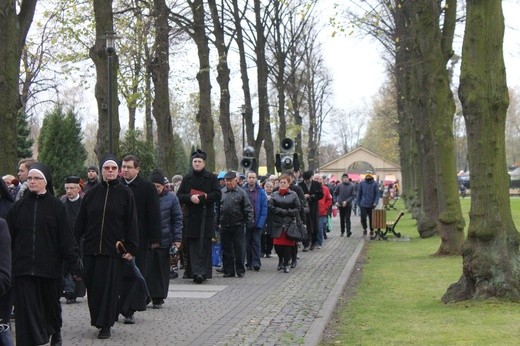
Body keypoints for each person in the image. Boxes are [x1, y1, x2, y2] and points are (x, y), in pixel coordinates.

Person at [7, 162, 81, 346]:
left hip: (49, 269)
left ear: (46, 182)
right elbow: (9, 238)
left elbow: (66, 237)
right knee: (26, 311)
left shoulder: (57, 207)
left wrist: (74, 263)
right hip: (23, 269)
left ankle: (55, 331)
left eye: (36, 178)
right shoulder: (18, 208)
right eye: (30, 178)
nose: (32, 181)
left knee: (50, 307)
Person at [74, 154, 139, 339]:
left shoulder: (125, 193)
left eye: (113, 168)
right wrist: (72, 243)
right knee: (94, 289)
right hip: (92, 249)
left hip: (113, 251)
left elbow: (131, 222)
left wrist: (131, 249)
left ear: (117, 171)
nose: (109, 171)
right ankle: (98, 320)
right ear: (101, 171)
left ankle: (106, 325)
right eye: (106, 168)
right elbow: (81, 222)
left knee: (109, 290)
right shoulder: (92, 193)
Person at [119, 154, 161, 324]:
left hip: (140, 238)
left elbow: (154, 214)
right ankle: (119, 305)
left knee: (137, 273)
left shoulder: (147, 187)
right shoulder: (117, 185)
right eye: (123, 167)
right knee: (120, 274)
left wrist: (155, 238)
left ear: (137, 169)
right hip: (119, 238)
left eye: (129, 167)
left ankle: (130, 309)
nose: (125, 170)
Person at [177, 149, 221, 284]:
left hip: (205, 216)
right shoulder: (187, 178)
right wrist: (190, 198)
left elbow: (217, 195)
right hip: (191, 217)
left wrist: (203, 197)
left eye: (199, 162)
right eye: (195, 161)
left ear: (204, 163)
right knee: (192, 246)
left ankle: (202, 273)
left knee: (204, 245)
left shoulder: (211, 178)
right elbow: (179, 196)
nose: (196, 164)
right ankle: (193, 272)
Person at [148, 169, 183, 309]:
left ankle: (158, 297)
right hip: (148, 241)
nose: (155, 189)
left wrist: (177, 240)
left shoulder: (172, 198)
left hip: (164, 240)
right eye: (153, 186)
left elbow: (177, 219)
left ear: (163, 186)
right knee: (148, 270)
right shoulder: (146, 197)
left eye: (158, 186)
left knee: (161, 271)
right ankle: (146, 295)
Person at [218, 171, 254, 278]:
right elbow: (217, 209)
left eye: (230, 181)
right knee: (226, 249)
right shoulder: (222, 192)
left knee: (239, 249)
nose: (228, 183)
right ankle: (228, 271)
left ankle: (240, 270)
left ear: (236, 181)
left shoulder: (242, 193)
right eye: (226, 181)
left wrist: (249, 223)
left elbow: (248, 209)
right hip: (224, 225)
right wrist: (216, 223)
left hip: (238, 224)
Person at [269, 173, 302, 273]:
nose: (282, 184)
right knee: (278, 245)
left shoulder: (293, 194)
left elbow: (298, 208)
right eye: (280, 182)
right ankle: (280, 260)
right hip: (277, 223)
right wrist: (280, 211)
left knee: (288, 245)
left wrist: (288, 212)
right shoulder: (274, 195)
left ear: (289, 184)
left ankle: (286, 263)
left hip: (288, 223)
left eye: (284, 182)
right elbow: (271, 207)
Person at [61, 176, 86, 304]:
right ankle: (68, 291)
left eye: (72, 188)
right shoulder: (62, 205)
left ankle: (75, 292)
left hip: (81, 241)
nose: (69, 191)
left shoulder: (84, 204)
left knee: (79, 266)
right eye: (67, 188)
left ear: (78, 189)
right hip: (66, 240)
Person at [244, 171, 268, 271]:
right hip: (246, 222)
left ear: (256, 179)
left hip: (257, 222)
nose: (251, 179)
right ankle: (248, 262)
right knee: (246, 244)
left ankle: (256, 263)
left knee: (256, 243)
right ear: (247, 178)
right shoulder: (242, 190)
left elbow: (264, 208)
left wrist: (261, 223)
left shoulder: (261, 192)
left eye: (253, 177)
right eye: (249, 177)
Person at [298, 170, 323, 251]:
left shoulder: (317, 184)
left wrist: (311, 196)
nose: (307, 181)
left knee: (315, 226)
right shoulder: (300, 185)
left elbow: (320, 195)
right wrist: (303, 196)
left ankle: (313, 242)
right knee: (306, 226)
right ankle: (306, 243)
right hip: (304, 208)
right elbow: (297, 196)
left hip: (313, 207)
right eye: (305, 180)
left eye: (308, 179)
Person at [357, 171, 380, 237]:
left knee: (371, 218)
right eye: (367, 175)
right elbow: (359, 193)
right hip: (363, 204)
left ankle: (371, 230)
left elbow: (377, 194)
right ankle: (365, 228)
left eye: (369, 175)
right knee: (363, 218)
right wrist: (358, 202)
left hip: (372, 204)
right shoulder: (362, 183)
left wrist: (375, 202)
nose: (368, 176)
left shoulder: (375, 184)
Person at [334, 173, 357, 237]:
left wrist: (346, 201)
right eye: (344, 178)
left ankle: (348, 231)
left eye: (346, 178)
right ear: (342, 179)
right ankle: (342, 231)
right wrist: (336, 201)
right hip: (340, 205)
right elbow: (335, 194)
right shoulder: (339, 186)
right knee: (342, 218)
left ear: (348, 178)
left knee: (347, 218)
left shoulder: (352, 186)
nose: (345, 179)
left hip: (348, 205)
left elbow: (353, 195)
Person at [314, 174, 332, 248]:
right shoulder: (311, 188)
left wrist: (325, 207)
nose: (316, 180)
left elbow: (329, 199)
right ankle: (313, 241)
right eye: (315, 179)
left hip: (321, 211)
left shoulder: (325, 189)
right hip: (312, 211)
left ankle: (319, 242)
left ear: (321, 180)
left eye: (318, 179)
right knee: (313, 228)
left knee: (320, 228)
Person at [261, 181, 275, 258]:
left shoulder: (275, 196)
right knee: (262, 234)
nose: (269, 188)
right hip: (264, 217)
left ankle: (268, 251)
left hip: (271, 217)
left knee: (270, 235)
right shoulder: (262, 195)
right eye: (267, 187)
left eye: (270, 187)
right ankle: (262, 251)